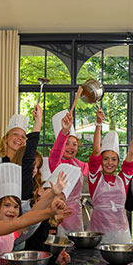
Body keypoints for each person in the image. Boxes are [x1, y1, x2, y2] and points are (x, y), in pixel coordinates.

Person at [0, 163, 67, 265]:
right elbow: (23, 221)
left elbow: (31, 215)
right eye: (7, 205)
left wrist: (52, 194)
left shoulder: (12, 233)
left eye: (16, 207)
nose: (12, 210)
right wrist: (50, 211)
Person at [87, 107, 133, 243]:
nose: (109, 163)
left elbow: (131, 153)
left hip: (121, 233)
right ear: (101, 161)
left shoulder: (122, 179)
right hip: (98, 234)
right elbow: (96, 151)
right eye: (105, 158)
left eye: (113, 159)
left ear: (118, 162)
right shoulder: (95, 178)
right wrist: (98, 124)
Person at [23, 164, 83, 265]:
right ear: (40, 191)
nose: (57, 201)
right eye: (54, 195)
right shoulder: (25, 208)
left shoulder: (48, 219)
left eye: (61, 199)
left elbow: (40, 248)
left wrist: (55, 260)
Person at [48, 99, 88, 235]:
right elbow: (55, 152)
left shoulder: (80, 165)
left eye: (74, 144)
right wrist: (64, 131)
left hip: (76, 216)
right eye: (67, 143)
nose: (71, 147)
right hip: (59, 215)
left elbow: (95, 167)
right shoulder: (56, 163)